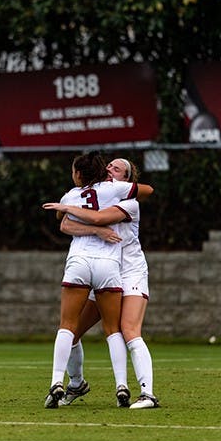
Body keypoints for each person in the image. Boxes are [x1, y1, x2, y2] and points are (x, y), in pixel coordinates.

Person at [42, 158, 159, 409]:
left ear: (127, 179)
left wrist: (68, 206)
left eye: (117, 168)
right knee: (72, 333)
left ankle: (147, 393)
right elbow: (66, 224)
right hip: (107, 270)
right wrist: (77, 214)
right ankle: (76, 384)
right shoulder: (101, 193)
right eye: (108, 166)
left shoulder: (129, 203)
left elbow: (96, 218)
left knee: (128, 330)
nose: (110, 169)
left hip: (131, 273)